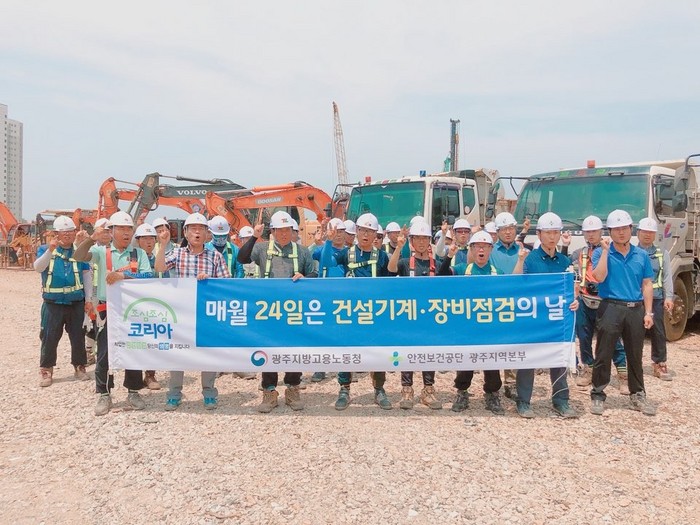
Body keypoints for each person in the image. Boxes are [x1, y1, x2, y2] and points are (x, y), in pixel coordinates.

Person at [74, 211, 153, 416]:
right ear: (112, 231)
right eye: (122, 229)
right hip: (107, 309)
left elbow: (148, 275)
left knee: (133, 350)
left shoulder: (139, 254)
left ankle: (133, 391)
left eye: (129, 229)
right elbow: (79, 257)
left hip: (132, 310)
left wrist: (123, 275)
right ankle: (104, 393)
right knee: (104, 353)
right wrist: (91, 238)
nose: (126, 233)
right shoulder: (101, 252)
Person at [237, 211, 317, 413]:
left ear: (292, 230)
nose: (283, 233)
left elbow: (314, 273)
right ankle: (269, 390)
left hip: (293, 310)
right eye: (279, 230)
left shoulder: (302, 251)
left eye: (287, 229)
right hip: (268, 310)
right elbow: (242, 258)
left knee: (294, 349)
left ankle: (293, 388)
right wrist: (254, 237)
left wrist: (305, 277)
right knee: (268, 349)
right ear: (272, 231)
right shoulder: (262, 249)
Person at [439, 230, 525, 414]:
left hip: (489, 327)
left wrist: (520, 260)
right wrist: (449, 257)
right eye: (477, 246)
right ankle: (462, 392)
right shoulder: (463, 269)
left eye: (485, 247)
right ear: (471, 249)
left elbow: (512, 288)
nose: (481, 250)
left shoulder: (496, 272)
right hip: (467, 326)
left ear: (490, 250)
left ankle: (492, 393)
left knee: (491, 362)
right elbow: (441, 277)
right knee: (466, 361)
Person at [155, 213, 231, 411]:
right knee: (178, 354)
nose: (197, 232)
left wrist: (209, 281)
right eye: (193, 229)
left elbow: (227, 284)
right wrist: (163, 245)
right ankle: (174, 395)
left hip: (207, 315)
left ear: (207, 234)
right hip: (182, 314)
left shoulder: (215, 256)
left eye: (201, 229)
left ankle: (209, 394)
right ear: (186, 232)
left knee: (208, 354)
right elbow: (160, 267)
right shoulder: (178, 254)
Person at [322, 213, 392, 410]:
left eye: (370, 231)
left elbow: (390, 281)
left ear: (376, 234)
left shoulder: (382, 256)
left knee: (377, 350)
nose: (365, 235)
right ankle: (344, 389)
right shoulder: (347, 253)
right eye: (362, 230)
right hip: (351, 312)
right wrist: (328, 242)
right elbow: (327, 263)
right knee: (347, 348)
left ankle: (379, 389)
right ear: (356, 232)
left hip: (375, 312)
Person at [589, 210, 656, 416]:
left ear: (631, 230)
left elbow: (647, 284)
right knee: (604, 352)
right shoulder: (601, 253)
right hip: (611, 307)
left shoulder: (641, 255)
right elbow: (599, 277)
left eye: (624, 228)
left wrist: (649, 313)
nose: (621, 233)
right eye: (616, 229)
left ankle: (638, 394)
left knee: (635, 354)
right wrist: (605, 252)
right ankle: (598, 394)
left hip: (635, 309)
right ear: (609, 231)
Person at [514, 212, 579, 419]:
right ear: (539, 234)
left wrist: (575, 300)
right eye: (548, 233)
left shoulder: (564, 261)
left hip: (556, 318)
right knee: (528, 360)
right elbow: (516, 285)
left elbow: (571, 289)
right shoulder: (530, 259)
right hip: (532, 318)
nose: (552, 237)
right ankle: (523, 401)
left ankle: (561, 400)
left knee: (559, 358)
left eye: (555, 232)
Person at [569, 215, 627, 391]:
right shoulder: (579, 253)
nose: (591, 235)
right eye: (588, 232)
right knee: (584, 336)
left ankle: (623, 374)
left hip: (605, 300)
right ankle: (589, 368)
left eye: (594, 231)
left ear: (601, 231)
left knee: (612, 337)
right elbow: (572, 274)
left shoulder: (610, 251)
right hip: (584, 299)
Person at [388, 221, 441, 410]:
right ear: (411, 241)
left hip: (430, 317)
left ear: (429, 241)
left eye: (424, 238)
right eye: (417, 238)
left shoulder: (436, 264)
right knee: (407, 352)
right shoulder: (405, 263)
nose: (421, 242)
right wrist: (398, 248)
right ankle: (407, 389)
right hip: (408, 316)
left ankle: (428, 389)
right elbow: (391, 269)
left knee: (429, 353)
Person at [34, 216, 92, 387]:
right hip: (53, 303)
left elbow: (86, 276)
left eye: (70, 231)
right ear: (56, 233)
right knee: (49, 336)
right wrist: (50, 250)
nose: (67, 234)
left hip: (76, 301)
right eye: (63, 232)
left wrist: (88, 299)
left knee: (78, 336)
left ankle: (79, 367)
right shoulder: (45, 249)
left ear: (75, 232)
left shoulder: (80, 250)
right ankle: (46, 370)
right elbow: (38, 267)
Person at [636, 217, 674, 381]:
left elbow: (667, 277)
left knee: (658, 331)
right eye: (644, 231)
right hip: (635, 298)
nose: (647, 235)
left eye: (651, 232)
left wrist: (669, 297)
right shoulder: (631, 252)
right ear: (638, 233)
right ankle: (633, 363)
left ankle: (660, 362)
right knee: (634, 333)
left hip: (656, 298)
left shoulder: (662, 253)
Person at [133, 223, 165, 391]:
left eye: (151, 238)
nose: (149, 242)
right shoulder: (132, 258)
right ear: (138, 240)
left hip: (155, 305)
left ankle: (150, 374)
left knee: (152, 341)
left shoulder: (159, 257)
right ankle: (134, 377)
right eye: (144, 238)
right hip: (135, 305)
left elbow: (167, 278)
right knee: (135, 341)